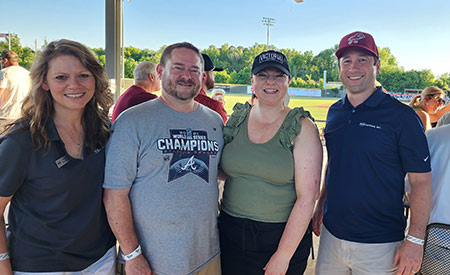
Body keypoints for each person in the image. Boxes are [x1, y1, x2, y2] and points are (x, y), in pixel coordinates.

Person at [313, 31, 432, 275]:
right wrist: (321, 204)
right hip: (331, 236)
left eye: (362, 60)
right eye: (346, 60)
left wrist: (416, 240)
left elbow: (421, 182)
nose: (353, 67)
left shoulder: (402, 117)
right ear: (339, 68)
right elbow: (335, 163)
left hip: (381, 244)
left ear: (376, 65)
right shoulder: (336, 112)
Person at [103, 42, 224, 275]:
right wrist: (132, 254)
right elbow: (114, 195)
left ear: (202, 75)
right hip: (150, 262)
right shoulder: (132, 122)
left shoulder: (214, 122)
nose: (186, 76)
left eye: (194, 70)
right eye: (178, 68)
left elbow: (222, 172)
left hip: (206, 256)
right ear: (160, 71)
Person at [0, 39, 116, 274]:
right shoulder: (20, 141)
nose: (74, 85)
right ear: (44, 83)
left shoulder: (105, 130)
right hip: (41, 264)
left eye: (83, 75)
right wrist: (3, 263)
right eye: (61, 77)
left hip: (100, 259)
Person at [219, 50, 323, 275]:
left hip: (280, 236)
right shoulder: (236, 120)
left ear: (288, 82)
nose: (270, 82)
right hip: (230, 232)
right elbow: (220, 171)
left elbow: (307, 198)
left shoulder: (302, 127)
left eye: (278, 76)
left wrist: (283, 256)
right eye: (263, 75)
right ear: (252, 81)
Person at [0, 50, 31, 131]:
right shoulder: (27, 73)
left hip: (5, 116)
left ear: (5, 60)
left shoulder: (4, 73)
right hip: (23, 116)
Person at [194, 53, 227, 122]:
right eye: (212, 72)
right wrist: (219, 106)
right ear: (204, 75)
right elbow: (224, 130)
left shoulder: (175, 99)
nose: (213, 76)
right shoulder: (214, 106)